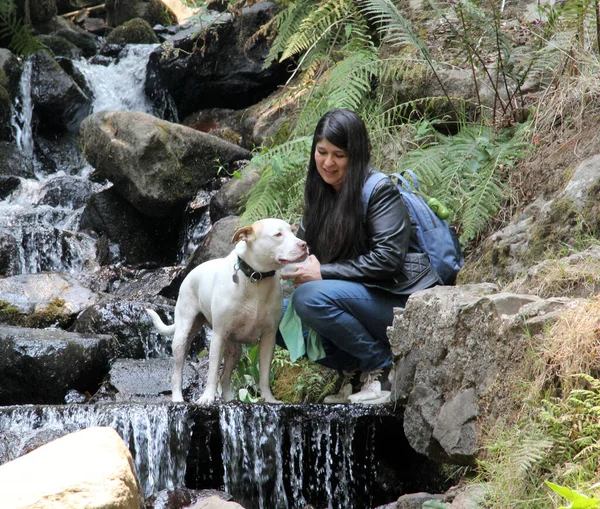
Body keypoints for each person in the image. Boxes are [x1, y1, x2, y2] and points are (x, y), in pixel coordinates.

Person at [279, 108, 440, 404]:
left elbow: (388, 260)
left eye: (339, 155)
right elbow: (300, 252)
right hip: (354, 298)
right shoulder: (320, 194)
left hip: (397, 298)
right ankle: (354, 372)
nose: (328, 163)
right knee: (272, 312)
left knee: (309, 298)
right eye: (322, 152)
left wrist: (323, 273)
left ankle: (381, 368)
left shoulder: (378, 190)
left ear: (356, 154)